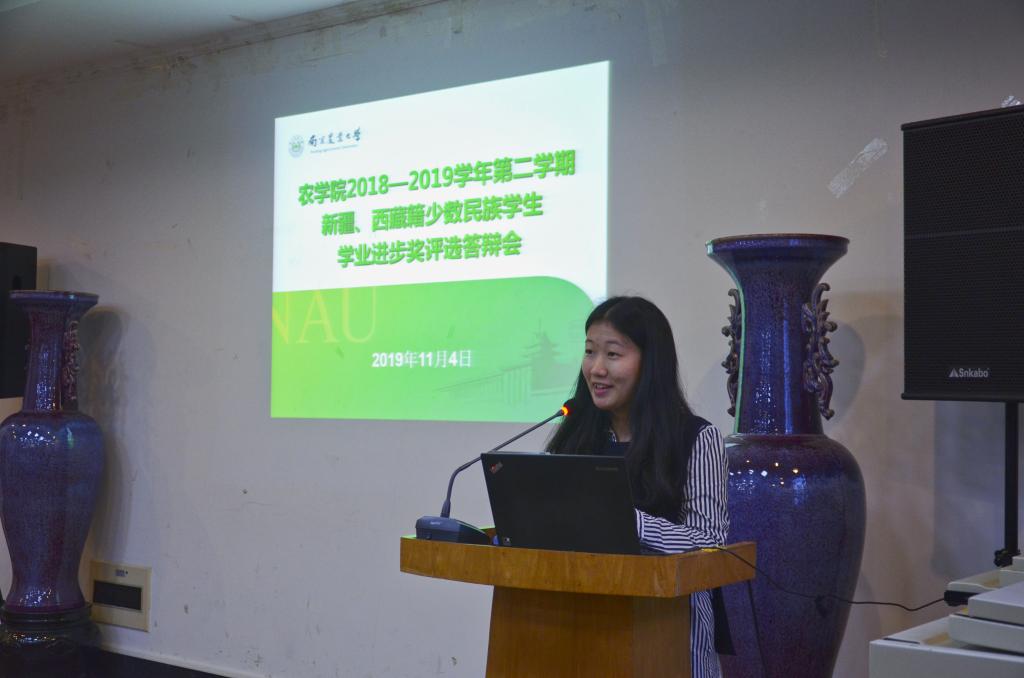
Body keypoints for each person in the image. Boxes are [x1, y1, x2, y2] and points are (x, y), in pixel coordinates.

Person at [546, 296, 730, 678]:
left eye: (613, 354)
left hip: (670, 629)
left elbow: (710, 544)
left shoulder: (696, 439)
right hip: (579, 624)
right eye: (590, 352)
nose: (596, 368)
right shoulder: (575, 436)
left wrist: (629, 524)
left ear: (650, 363)